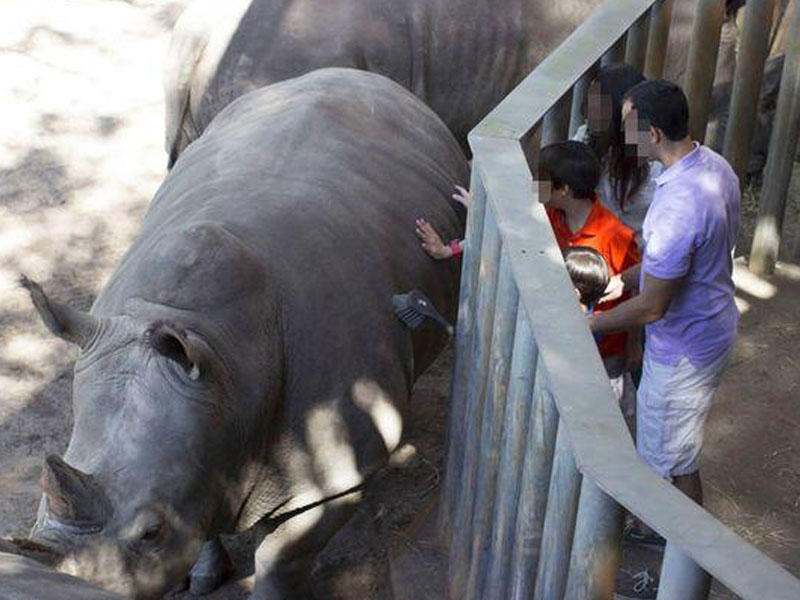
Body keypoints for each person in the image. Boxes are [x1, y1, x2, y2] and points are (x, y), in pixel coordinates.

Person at [588, 80, 741, 519]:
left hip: (682, 349)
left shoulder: (677, 207)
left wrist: (590, 323)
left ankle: (673, 546)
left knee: (668, 462)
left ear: (652, 133)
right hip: (710, 324)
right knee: (679, 452)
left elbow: (653, 306)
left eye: (628, 127)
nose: (623, 136)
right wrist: (627, 279)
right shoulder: (713, 166)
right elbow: (686, 260)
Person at [576, 63, 663, 246]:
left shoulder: (655, 161)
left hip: (635, 252)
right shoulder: (587, 136)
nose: (587, 114)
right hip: (593, 241)